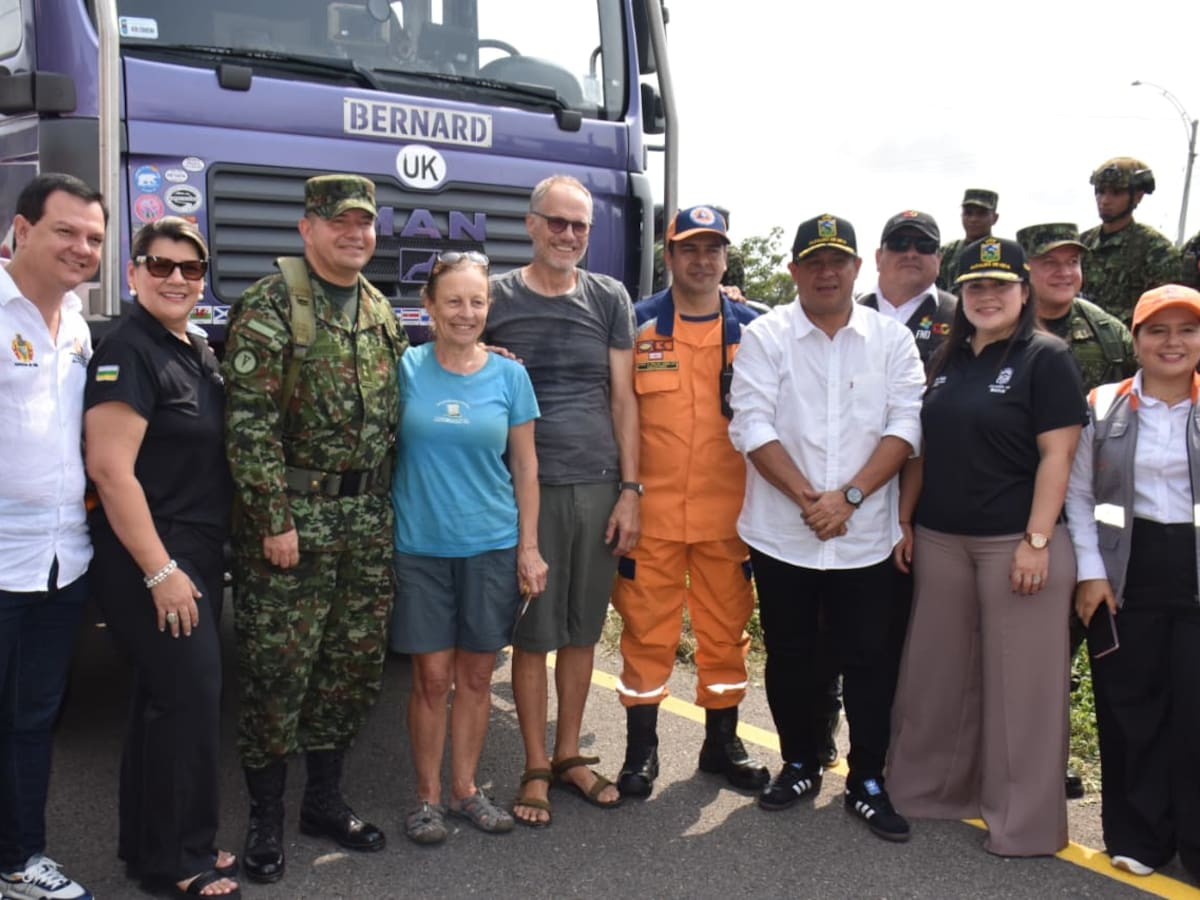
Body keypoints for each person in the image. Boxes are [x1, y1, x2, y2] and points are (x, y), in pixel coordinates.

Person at [223, 174, 407, 883]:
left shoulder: (378, 308)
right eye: (341, 223)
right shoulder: (270, 306)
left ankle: (323, 803)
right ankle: (266, 819)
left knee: (350, 671)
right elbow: (249, 428)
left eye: (365, 223)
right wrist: (273, 519)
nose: (356, 234)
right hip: (292, 524)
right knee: (277, 675)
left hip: (364, 521)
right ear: (308, 228)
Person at [888, 237, 1088, 857]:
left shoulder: (1046, 358)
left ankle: (1024, 826)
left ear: (1023, 293)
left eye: (1001, 286)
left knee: (1021, 693)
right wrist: (906, 520)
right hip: (944, 540)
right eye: (976, 286)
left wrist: (1036, 540)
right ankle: (933, 794)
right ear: (961, 295)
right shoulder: (948, 358)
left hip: (1017, 544)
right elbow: (925, 447)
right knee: (936, 680)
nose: (987, 296)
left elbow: (1060, 456)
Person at [728, 214, 924, 842]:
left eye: (838, 260)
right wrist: (813, 499)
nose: (827, 272)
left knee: (870, 660)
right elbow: (750, 424)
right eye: (813, 261)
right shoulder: (765, 335)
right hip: (783, 533)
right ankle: (800, 762)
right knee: (791, 657)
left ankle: (867, 778)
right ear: (793, 272)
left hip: (864, 539)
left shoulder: (892, 339)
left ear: (857, 268)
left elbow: (906, 428)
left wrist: (852, 497)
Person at [84, 218, 239, 899]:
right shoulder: (127, 350)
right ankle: (181, 860)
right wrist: (160, 570)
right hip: (154, 555)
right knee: (190, 698)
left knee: (163, 702)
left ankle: (156, 847)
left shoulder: (194, 348)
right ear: (133, 272)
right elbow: (112, 471)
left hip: (194, 551)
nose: (177, 278)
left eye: (190, 269)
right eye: (161, 264)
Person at [483, 174, 638, 826]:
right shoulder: (494, 296)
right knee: (533, 634)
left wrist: (632, 490)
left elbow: (624, 398)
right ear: (531, 223)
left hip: (600, 482)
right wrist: (476, 349)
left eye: (579, 226)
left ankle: (572, 755)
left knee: (582, 631)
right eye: (557, 222)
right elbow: (449, 352)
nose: (567, 235)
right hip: (529, 487)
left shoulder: (609, 296)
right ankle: (535, 765)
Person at [389, 250, 547, 844]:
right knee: (432, 678)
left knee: (477, 677)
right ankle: (426, 798)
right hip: (421, 546)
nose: (466, 312)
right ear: (428, 306)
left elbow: (526, 467)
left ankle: (465, 790)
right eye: (452, 300)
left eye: (476, 301)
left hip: (491, 543)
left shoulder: (510, 376)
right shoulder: (404, 368)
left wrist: (528, 548)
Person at [612, 206, 766, 799]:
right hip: (649, 516)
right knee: (645, 632)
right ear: (669, 256)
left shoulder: (757, 330)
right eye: (689, 249)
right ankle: (641, 751)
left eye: (713, 250)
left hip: (731, 518)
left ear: (726, 259)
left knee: (726, 634)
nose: (702, 261)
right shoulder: (635, 325)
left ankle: (721, 743)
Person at [1065, 284, 1200, 881]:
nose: (1174, 343)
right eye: (1158, 331)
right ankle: (1139, 836)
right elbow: (1078, 495)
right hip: (1127, 572)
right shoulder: (1102, 404)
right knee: (1131, 705)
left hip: (1193, 569)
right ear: (1136, 340)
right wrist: (1091, 572)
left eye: (1187, 330)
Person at [0, 173, 104, 900]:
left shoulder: (78, 325)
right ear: (22, 229)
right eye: (66, 231)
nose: (82, 247)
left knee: (31, 720)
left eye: (94, 238)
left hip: (63, 561)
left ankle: (19, 861)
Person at [1019, 223, 1135, 391]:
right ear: (1024, 269)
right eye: (1050, 263)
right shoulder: (998, 329)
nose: (1065, 272)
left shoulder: (1110, 334)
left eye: (1073, 261)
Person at [1080, 158, 1180, 324]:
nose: (1105, 200)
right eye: (1100, 191)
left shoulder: (1157, 251)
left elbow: (1163, 314)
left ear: (1138, 197)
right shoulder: (1082, 244)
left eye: (1116, 193)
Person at [936, 189, 999, 290]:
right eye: (968, 213)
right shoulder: (948, 251)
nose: (973, 219)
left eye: (981, 214)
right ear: (961, 215)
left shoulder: (1002, 251)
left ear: (995, 218)